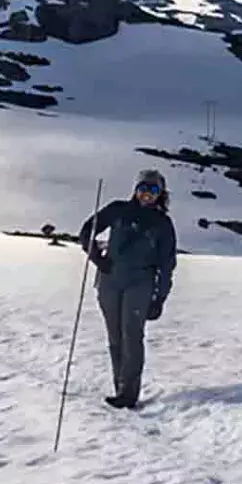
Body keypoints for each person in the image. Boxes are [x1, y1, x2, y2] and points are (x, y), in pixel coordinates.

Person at [80, 169, 177, 409]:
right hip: (109, 281)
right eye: (143, 188)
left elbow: (167, 264)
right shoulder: (117, 210)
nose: (147, 195)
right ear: (135, 189)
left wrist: (159, 298)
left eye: (153, 190)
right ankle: (120, 386)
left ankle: (128, 394)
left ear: (160, 194)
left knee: (132, 336)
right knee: (115, 338)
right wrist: (96, 258)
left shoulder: (163, 223)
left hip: (140, 283)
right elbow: (86, 232)